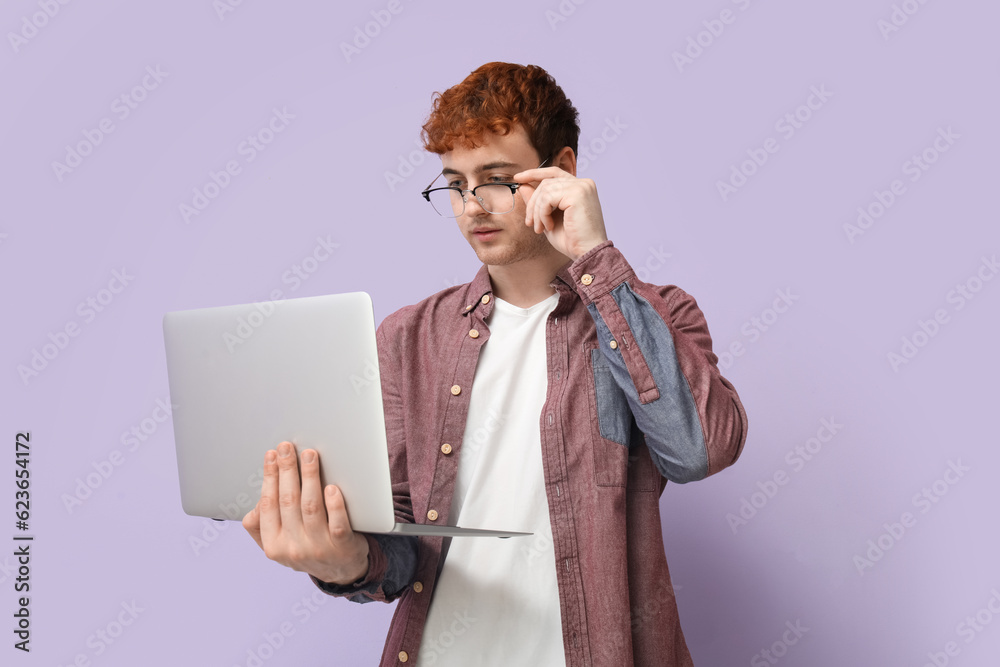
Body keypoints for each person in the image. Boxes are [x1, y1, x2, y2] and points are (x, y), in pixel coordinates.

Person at [242, 62, 748, 666]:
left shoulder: (655, 315)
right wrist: (346, 560)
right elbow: (402, 543)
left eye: (498, 179)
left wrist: (596, 258)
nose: (472, 205)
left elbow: (698, 450)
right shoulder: (409, 339)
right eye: (455, 183)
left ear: (561, 171)